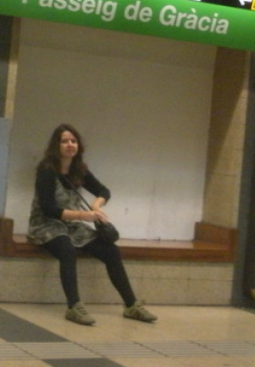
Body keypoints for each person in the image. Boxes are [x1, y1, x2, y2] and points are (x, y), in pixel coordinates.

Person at [27, 123, 157, 325]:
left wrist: (96, 206)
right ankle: (74, 307)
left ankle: (131, 305)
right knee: (67, 249)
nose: (70, 145)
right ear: (56, 145)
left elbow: (104, 191)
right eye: (64, 141)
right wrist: (84, 215)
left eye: (73, 140)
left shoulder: (79, 169)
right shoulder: (47, 170)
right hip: (46, 225)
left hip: (72, 225)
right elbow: (48, 209)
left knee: (111, 250)